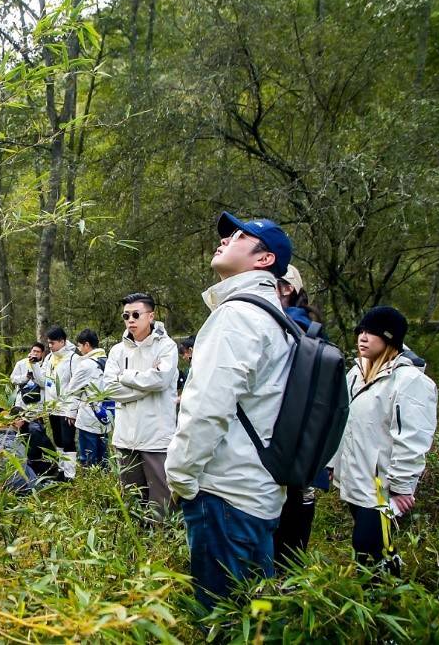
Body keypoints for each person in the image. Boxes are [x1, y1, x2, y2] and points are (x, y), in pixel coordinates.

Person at [165, 212, 295, 610]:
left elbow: (207, 409)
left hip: (225, 496)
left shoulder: (237, 315)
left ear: (264, 259)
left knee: (221, 618)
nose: (225, 239)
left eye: (240, 236)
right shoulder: (276, 318)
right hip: (258, 492)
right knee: (251, 619)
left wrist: (181, 478)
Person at [331, 306, 437, 573]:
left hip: (382, 487)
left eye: (373, 332)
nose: (363, 337)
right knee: (375, 551)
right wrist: (333, 464)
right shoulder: (356, 373)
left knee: (367, 546)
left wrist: (402, 488)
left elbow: (413, 438)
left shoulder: (410, 380)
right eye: (361, 331)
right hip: (357, 478)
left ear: (390, 339)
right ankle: (382, 598)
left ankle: (383, 600)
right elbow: (344, 423)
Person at [102, 292, 179, 522]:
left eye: (136, 314)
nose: (131, 320)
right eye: (126, 316)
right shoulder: (117, 350)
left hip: (156, 438)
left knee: (161, 506)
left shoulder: (167, 347)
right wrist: (146, 385)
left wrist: (124, 376)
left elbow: (161, 380)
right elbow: (108, 388)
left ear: (151, 316)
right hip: (125, 438)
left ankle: (161, 550)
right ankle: (134, 552)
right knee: (131, 504)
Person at [272, 264, 328, 568]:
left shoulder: (292, 329)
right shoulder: (308, 328)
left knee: (285, 524)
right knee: (295, 519)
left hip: (287, 443)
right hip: (303, 445)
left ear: (287, 289)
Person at [32, 326, 78, 480]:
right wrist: (35, 366)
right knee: (58, 440)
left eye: (52, 343)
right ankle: (61, 470)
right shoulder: (50, 358)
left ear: (62, 341)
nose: (50, 346)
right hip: (53, 407)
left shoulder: (73, 359)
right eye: (48, 343)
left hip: (67, 408)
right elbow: (43, 382)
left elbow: (77, 387)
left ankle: (70, 475)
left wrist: (73, 411)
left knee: (68, 441)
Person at [68, 329, 110, 468]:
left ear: (87, 345)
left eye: (79, 346)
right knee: (103, 456)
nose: (79, 350)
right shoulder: (108, 361)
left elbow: (72, 388)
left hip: (89, 417)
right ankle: (104, 483)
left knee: (88, 457)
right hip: (106, 416)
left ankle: (89, 484)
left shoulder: (86, 364)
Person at [10, 342, 46, 408]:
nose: (35, 353)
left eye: (38, 352)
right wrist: (26, 377)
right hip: (21, 401)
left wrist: (35, 374)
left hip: (38, 402)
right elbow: (13, 379)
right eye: (34, 351)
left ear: (42, 353)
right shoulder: (21, 363)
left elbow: (44, 384)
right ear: (31, 351)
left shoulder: (45, 365)